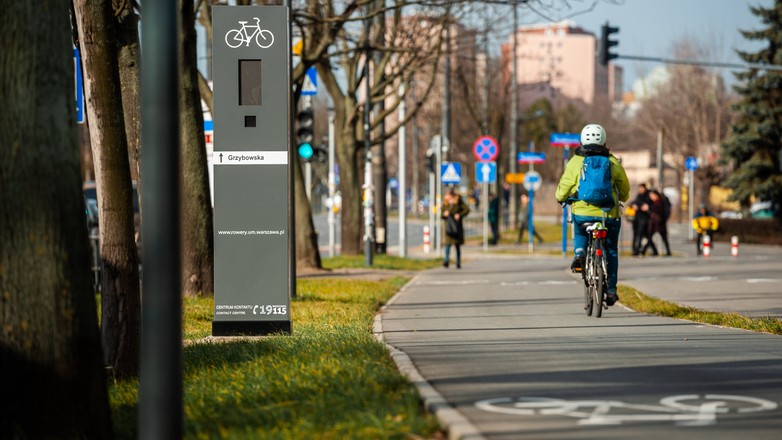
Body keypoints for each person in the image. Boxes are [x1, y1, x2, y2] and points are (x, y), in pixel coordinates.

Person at [555, 124, 630, 306]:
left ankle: (580, 253)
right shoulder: (612, 162)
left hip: (583, 212)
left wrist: (561, 198)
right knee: (611, 251)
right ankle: (611, 290)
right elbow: (625, 189)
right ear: (604, 141)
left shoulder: (575, 162)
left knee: (580, 230)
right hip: (608, 215)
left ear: (582, 141)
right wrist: (622, 197)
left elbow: (563, 188)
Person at [441, 189, 470, 268]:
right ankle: (446, 261)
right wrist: (444, 214)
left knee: (457, 246)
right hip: (448, 227)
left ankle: (458, 262)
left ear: (452, 196)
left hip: (457, 227)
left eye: (449, 195)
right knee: (447, 245)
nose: (447, 197)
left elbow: (467, 210)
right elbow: (441, 214)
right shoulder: (445, 203)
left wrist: (459, 215)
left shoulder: (458, 202)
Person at [641, 189, 672, 256]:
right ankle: (644, 251)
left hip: (659, 223)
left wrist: (648, 208)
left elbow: (657, 211)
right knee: (649, 237)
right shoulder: (652, 202)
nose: (651, 197)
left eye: (652, 195)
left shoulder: (660, 202)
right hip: (653, 223)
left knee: (664, 238)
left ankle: (668, 252)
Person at [630, 183, 651, 256]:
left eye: (642, 188)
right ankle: (635, 251)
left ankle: (640, 250)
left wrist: (646, 208)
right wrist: (633, 205)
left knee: (643, 236)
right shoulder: (638, 195)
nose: (641, 190)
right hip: (637, 219)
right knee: (636, 235)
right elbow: (633, 202)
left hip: (645, 219)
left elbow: (649, 206)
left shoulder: (648, 196)